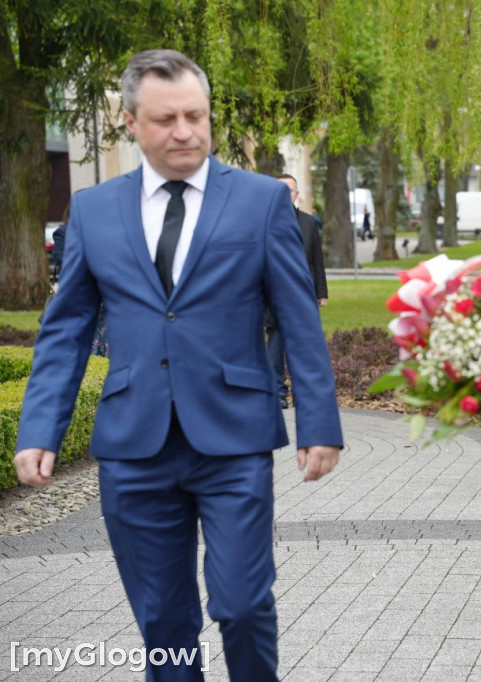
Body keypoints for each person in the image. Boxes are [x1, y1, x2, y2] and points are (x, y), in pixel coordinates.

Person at [14, 49, 343, 681]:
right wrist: (39, 430)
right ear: (132, 123)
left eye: (197, 115)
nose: (186, 131)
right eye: (166, 119)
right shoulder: (95, 210)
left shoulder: (259, 203)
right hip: (133, 445)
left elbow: (299, 318)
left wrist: (321, 422)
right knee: (163, 621)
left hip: (232, 437)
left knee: (243, 605)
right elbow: (66, 331)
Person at [267, 173, 329, 408]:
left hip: (302, 294)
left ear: (296, 195)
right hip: (273, 293)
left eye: (289, 190)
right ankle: (278, 392)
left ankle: (303, 393)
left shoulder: (308, 222)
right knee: (275, 344)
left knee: (303, 346)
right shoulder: (264, 220)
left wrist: (321, 291)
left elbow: (317, 260)